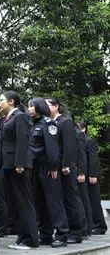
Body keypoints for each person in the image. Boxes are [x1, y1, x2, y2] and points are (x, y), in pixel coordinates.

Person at [0, 91, 39, 250]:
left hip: (18, 166)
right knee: (14, 202)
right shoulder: (8, 118)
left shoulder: (20, 116)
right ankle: (22, 236)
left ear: (11, 101)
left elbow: (23, 141)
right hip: (8, 165)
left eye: (1, 100)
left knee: (23, 201)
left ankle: (31, 239)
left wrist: (20, 163)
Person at [28, 98, 68, 247]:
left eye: (32, 106)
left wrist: (53, 167)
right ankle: (45, 234)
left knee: (54, 201)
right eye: (28, 106)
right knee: (39, 202)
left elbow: (52, 149)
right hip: (35, 167)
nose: (29, 109)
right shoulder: (32, 124)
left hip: (47, 168)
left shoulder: (48, 123)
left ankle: (62, 234)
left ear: (39, 107)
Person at [46, 98, 85, 244]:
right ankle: (67, 229)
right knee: (60, 199)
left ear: (56, 107)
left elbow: (69, 145)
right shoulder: (50, 122)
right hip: (56, 166)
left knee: (71, 199)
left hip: (66, 167)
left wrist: (67, 165)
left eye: (47, 105)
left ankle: (76, 232)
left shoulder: (65, 121)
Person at [78, 121, 106, 235]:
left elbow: (93, 159)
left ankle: (100, 225)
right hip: (84, 175)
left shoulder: (88, 141)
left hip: (90, 175)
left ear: (84, 129)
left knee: (94, 200)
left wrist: (92, 175)